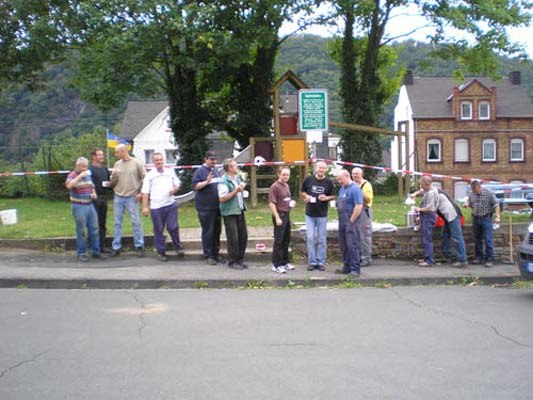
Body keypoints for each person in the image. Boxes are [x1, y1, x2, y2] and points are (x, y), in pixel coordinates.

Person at [141, 152, 185, 262]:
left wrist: (174, 189)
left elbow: (177, 185)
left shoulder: (170, 172)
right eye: (156, 160)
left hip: (170, 204)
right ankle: (161, 252)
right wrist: (145, 207)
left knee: (172, 227)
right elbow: (145, 193)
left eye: (160, 160)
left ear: (163, 160)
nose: (159, 162)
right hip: (156, 207)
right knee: (159, 229)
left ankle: (178, 247)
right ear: (153, 162)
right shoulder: (149, 175)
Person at [65, 157, 106, 262]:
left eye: (86, 166)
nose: (85, 169)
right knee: (81, 230)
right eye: (83, 167)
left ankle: (95, 251)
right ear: (77, 166)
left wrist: (94, 193)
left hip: (89, 204)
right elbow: (69, 186)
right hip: (79, 205)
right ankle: (81, 253)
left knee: (94, 229)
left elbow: (91, 186)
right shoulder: (72, 175)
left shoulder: (88, 175)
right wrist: (79, 176)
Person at [109, 144, 146, 257]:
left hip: (132, 196)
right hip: (118, 196)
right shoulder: (117, 164)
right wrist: (113, 176)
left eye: (117, 152)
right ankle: (116, 247)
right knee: (117, 223)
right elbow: (112, 183)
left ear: (123, 151)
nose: (115, 155)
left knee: (136, 222)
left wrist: (141, 193)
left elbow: (145, 178)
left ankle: (139, 246)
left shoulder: (137, 163)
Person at [300, 160, 334, 271]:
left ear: (325, 170)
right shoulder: (308, 179)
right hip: (310, 214)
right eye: (320, 168)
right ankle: (312, 261)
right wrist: (306, 197)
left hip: (322, 214)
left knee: (321, 239)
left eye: (323, 168)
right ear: (315, 168)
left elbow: (333, 195)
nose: (321, 170)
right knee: (310, 238)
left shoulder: (329, 182)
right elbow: (302, 192)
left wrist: (326, 198)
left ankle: (321, 262)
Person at [192, 151, 222, 265]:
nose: (214, 161)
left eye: (215, 159)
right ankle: (208, 255)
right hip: (205, 207)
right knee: (208, 231)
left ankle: (216, 254)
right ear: (205, 159)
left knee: (216, 231)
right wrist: (206, 182)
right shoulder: (200, 171)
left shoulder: (215, 171)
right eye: (211, 159)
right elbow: (194, 186)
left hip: (217, 206)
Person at [218, 158, 248, 270]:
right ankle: (233, 261)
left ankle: (240, 259)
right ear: (230, 168)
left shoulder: (238, 178)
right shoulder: (223, 181)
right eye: (235, 165)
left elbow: (240, 193)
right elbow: (222, 199)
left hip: (239, 210)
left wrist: (243, 192)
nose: (237, 167)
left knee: (243, 236)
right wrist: (236, 191)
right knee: (233, 238)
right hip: (229, 212)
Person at [466, 180, 501, 268]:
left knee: (488, 239)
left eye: (476, 191)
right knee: (477, 239)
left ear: (479, 187)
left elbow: (496, 204)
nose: (475, 192)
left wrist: (497, 216)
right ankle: (479, 257)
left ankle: (489, 259)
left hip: (486, 218)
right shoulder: (470, 193)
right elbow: (470, 203)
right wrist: (467, 204)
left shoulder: (488, 192)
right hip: (475, 218)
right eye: (473, 191)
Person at [335, 170, 363, 277]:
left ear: (347, 177)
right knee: (344, 244)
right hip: (342, 219)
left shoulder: (355, 189)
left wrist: (351, 220)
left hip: (351, 220)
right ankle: (346, 266)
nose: (339, 182)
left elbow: (358, 206)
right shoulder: (342, 189)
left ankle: (355, 269)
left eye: (340, 179)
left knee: (352, 244)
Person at [269, 167, 296, 273]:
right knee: (278, 241)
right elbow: (272, 203)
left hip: (286, 215)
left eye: (287, 175)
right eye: (284, 174)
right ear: (279, 174)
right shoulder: (275, 187)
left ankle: (285, 262)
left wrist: (290, 206)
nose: (286, 177)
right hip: (279, 215)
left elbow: (286, 199)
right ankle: (276, 264)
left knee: (286, 239)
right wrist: (277, 217)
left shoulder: (286, 186)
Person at [410, 176, 439, 267]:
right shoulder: (432, 188)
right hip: (428, 217)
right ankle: (427, 257)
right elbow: (422, 191)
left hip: (428, 217)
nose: (421, 187)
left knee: (427, 239)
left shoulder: (431, 194)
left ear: (426, 184)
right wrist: (414, 194)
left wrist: (417, 209)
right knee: (426, 238)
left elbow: (429, 208)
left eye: (422, 185)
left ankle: (429, 260)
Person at [437, 190, 468, 268]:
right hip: (447, 216)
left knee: (457, 237)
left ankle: (462, 260)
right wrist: (415, 194)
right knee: (445, 235)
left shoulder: (433, 194)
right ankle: (447, 256)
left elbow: (430, 209)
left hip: (453, 215)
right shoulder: (435, 192)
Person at [89, 148, 111, 253]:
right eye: (99, 155)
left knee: (102, 223)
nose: (102, 157)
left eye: (102, 155)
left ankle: (102, 246)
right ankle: (94, 247)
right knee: (94, 223)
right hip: (94, 199)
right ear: (94, 157)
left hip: (104, 198)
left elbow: (108, 183)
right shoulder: (90, 170)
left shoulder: (105, 169)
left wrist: (110, 183)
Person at [351, 167, 373, 267]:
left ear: (361, 174)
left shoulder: (366, 185)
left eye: (357, 174)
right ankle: (358, 256)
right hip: (355, 210)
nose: (355, 176)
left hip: (364, 211)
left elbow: (368, 199)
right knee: (356, 235)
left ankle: (366, 258)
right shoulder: (351, 184)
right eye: (353, 174)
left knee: (365, 235)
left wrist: (358, 190)